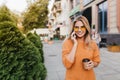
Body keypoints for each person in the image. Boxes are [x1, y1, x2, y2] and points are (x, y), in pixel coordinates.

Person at [62, 16, 101, 80]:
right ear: (73, 29)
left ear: (86, 28)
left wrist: (92, 64)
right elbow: (67, 64)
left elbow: (97, 61)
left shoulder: (92, 44)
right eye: (77, 27)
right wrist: (75, 44)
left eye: (82, 27)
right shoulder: (67, 43)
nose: (79, 30)